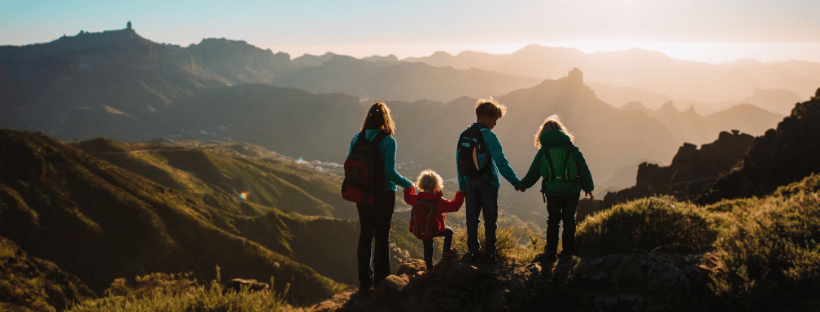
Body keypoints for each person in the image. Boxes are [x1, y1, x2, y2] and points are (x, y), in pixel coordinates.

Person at [349, 102, 414, 290]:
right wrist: (409, 184)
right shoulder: (388, 141)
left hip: (361, 194)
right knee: (382, 236)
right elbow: (389, 173)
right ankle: (381, 281)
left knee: (365, 234)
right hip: (383, 193)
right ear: (386, 120)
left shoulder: (357, 138)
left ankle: (363, 281)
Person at [518, 115, 594, 263]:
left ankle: (551, 253)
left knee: (553, 221)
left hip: (552, 192)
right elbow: (582, 167)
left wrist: (524, 185)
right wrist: (588, 187)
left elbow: (534, 171)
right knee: (569, 220)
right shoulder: (571, 147)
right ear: (560, 130)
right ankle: (567, 252)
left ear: (543, 133)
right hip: (572, 190)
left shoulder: (543, 151)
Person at [456, 99, 522, 262]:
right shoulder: (489, 136)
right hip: (488, 183)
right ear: (486, 118)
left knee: (471, 219)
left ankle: (473, 251)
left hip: (470, 182)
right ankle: (490, 253)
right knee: (490, 220)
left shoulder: (465, 135)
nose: (495, 124)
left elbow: (459, 162)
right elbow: (501, 162)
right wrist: (515, 182)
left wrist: (462, 185)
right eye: (494, 120)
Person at [403, 169, 465, 270]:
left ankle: (429, 270)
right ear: (436, 185)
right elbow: (454, 207)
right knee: (449, 232)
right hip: (435, 229)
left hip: (421, 230)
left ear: (421, 184)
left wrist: (408, 188)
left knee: (428, 248)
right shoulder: (437, 201)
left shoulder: (417, 199)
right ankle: (446, 252)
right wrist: (461, 194)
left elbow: (407, 198)